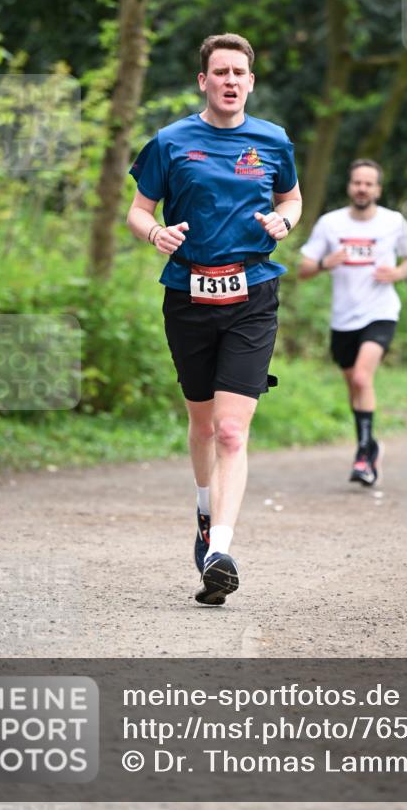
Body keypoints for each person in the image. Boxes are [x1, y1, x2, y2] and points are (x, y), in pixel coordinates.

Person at [126, 33, 301, 605]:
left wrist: (285, 222)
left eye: (240, 73)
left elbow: (292, 198)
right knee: (202, 426)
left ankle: (219, 551)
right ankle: (205, 513)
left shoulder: (273, 140)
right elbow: (137, 209)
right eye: (220, 72)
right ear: (203, 80)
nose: (230, 81)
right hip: (189, 294)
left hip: (252, 292)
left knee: (231, 429)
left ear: (251, 82)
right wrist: (156, 233)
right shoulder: (171, 141)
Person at [298, 160, 407, 487]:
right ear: (349, 186)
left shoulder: (393, 222)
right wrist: (325, 263)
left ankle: (364, 454)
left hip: (380, 311)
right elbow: (303, 268)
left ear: (378, 189)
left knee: (363, 378)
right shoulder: (330, 224)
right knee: (354, 383)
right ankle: (371, 443)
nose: (362, 188)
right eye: (357, 183)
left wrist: (397, 273)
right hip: (343, 319)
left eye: (369, 183)